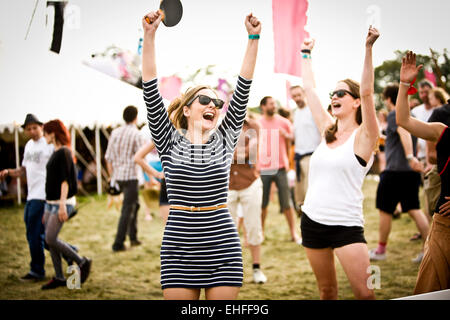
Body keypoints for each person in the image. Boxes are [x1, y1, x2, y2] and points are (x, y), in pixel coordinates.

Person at [141, 10, 260, 300]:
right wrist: (150, 35)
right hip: (179, 247)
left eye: (217, 102)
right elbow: (150, 89)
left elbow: (243, 87)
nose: (213, 105)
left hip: (222, 244)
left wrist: (253, 38)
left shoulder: (224, 138)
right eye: (204, 100)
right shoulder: (168, 140)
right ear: (186, 109)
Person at [299, 27, 380, 300]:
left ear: (356, 102)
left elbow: (368, 91)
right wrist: (306, 53)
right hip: (311, 221)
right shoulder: (327, 130)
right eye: (333, 93)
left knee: (367, 293)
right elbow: (309, 89)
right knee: (327, 291)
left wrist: (368, 48)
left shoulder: (366, 137)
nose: (333, 97)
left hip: (346, 226)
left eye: (341, 94)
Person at [394, 51, 449, 294]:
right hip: (445, 224)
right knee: (430, 289)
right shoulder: (442, 131)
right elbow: (404, 120)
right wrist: (405, 83)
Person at [368, 83, 429, 263]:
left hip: (395, 171)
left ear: (388, 99)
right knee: (414, 210)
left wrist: (410, 157)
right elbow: (406, 137)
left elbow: (403, 133)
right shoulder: (412, 115)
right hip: (409, 172)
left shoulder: (395, 114)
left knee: (385, 211)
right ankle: (429, 250)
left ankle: (380, 251)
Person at [0, 114, 54, 281]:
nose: (31, 131)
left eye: (34, 127)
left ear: (42, 126)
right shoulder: (29, 145)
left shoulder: (48, 144)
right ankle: (70, 252)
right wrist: (10, 172)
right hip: (31, 195)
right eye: (28, 128)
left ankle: (37, 270)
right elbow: (24, 169)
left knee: (34, 234)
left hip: (42, 195)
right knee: (41, 235)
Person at [41, 119, 91, 290]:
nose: (44, 135)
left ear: (53, 133)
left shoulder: (63, 152)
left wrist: (62, 206)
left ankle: (81, 261)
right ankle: (59, 276)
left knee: (50, 238)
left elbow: (65, 181)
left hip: (61, 203)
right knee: (50, 241)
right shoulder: (55, 151)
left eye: (46, 132)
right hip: (50, 203)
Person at [228, 115, 267, 284]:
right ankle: (228, 270)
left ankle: (256, 268)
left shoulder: (253, 125)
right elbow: (213, 153)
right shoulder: (220, 126)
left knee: (253, 226)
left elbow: (251, 154)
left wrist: (229, 152)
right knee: (226, 230)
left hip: (250, 182)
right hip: (226, 185)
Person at [258, 96, 301, 244]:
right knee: (262, 204)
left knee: (287, 203)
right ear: (263, 107)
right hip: (263, 169)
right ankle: (261, 234)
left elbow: (292, 141)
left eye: (275, 103)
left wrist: (288, 160)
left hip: (281, 167)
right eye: (271, 104)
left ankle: (293, 233)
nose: (274, 106)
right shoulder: (257, 123)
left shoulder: (284, 122)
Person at [105, 105, 146, 252]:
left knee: (135, 205)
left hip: (117, 176)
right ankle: (118, 243)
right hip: (131, 177)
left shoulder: (115, 133)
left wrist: (111, 177)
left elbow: (108, 157)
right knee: (127, 210)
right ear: (136, 117)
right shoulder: (137, 134)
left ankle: (133, 237)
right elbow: (141, 157)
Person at [290, 85, 321, 214]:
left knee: (311, 193)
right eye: (294, 96)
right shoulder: (295, 113)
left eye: (299, 95)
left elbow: (322, 131)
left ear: (304, 94)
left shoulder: (313, 110)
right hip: (298, 156)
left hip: (312, 155)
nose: (297, 98)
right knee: (300, 194)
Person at [421, 88, 450, 221]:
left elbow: (431, 156)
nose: (428, 99)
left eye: (431, 97)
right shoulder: (439, 115)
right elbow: (404, 121)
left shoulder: (439, 114)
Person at [134, 140, 169, 223]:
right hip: (154, 164)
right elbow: (138, 157)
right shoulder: (164, 133)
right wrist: (156, 174)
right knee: (149, 188)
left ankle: (158, 213)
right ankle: (148, 213)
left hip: (163, 167)